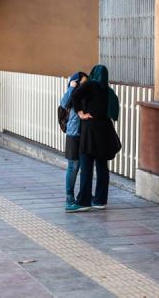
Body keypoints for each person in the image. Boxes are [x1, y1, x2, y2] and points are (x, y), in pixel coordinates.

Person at [66, 64, 120, 212]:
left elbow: (75, 95)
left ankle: (83, 201)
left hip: (90, 130)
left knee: (86, 166)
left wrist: (80, 112)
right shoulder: (107, 90)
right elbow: (115, 112)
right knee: (102, 166)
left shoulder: (91, 85)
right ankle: (100, 200)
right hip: (105, 130)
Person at [60, 71, 88, 207]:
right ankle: (69, 198)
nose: (85, 86)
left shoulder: (86, 94)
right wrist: (71, 87)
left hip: (86, 134)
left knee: (85, 166)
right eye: (82, 83)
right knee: (73, 166)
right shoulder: (71, 94)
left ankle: (84, 195)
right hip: (73, 133)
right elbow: (63, 103)